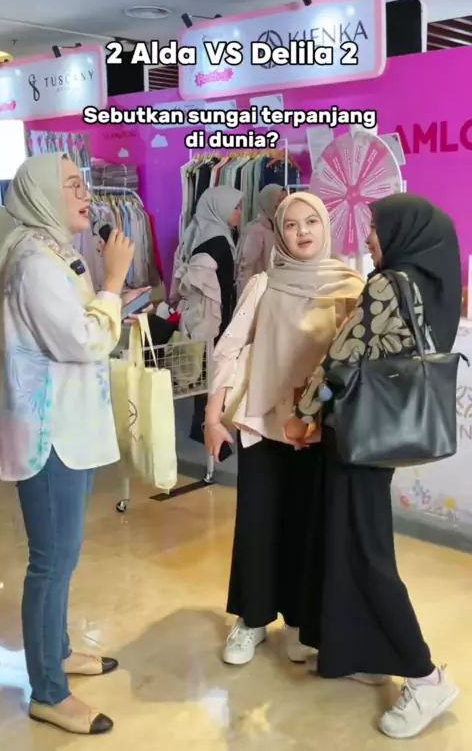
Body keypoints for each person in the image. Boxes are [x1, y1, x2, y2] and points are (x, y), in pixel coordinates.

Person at [286, 193, 462, 740]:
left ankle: (427, 677)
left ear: (402, 233)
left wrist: (303, 414)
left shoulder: (388, 284)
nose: (367, 238)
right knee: (354, 544)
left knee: (367, 555)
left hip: (357, 439)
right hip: (382, 442)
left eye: (375, 229)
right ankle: (364, 650)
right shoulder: (434, 285)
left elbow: (341, 359)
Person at [0, 154, 135, 736]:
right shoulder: (33, 261)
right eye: (71, 184)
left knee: (64, 555)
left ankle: (59, 651)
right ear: (43, 194)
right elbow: (80, 340)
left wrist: (111, 292)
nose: (85, 193)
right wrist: (113, 284)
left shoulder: (54, 250)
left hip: (68, 427)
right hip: (48, 434)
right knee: (51, 561)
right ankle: (48, 691)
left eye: (83, 183)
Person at [204, 193, 364, 666]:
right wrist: (212, 416)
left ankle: (299, 621)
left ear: (326, 226)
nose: (303, 232)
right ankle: (252, 619)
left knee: (308, 526)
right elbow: (229, 350)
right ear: (279, 232)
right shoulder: (264, 284)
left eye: (311, 221)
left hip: (320, 430)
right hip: (263, 424)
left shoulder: (350, 286)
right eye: (291, 224)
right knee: (258, 525)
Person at [171, 187, 243, 446]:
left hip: (209, 312)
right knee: (213, 371)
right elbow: (198, 278)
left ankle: (204, 426)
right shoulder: (218, 240)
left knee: (207, 370)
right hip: (215, 314)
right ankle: (207, 428)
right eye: (235, 207)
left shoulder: (203, 232)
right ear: (220, 208)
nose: (239, 212)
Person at [235, 184, 286, 296]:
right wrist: (246, 297)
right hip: (257, 294)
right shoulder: (256, 230)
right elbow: (245, 268)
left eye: (285, 200)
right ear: (269, 202)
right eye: (280, 200)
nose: (283, 205)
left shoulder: (279, 228)